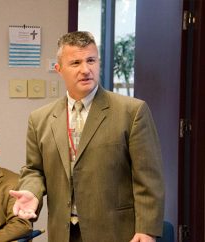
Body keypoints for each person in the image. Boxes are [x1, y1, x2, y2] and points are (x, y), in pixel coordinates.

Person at [9, 31, 165, 242]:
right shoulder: (40, 119)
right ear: (59, 69)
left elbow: (148, 178)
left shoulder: (132, 111)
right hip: (63, 232)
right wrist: (31, 192)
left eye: (91, 60)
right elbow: (34, 170)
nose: (85, 70)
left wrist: (147, 230)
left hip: (115, 232)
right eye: (75, 63)